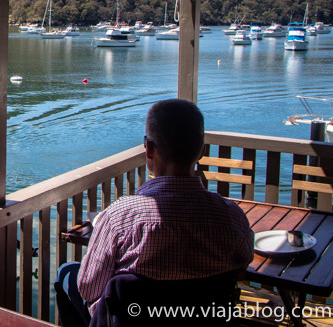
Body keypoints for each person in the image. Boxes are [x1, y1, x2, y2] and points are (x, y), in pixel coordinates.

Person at [55, 99, 254, 325]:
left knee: (66, 273)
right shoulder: (231, 216)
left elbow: (89, 288)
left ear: (149, 149)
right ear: (201, 151)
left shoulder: (120, 217)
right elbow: (244, 261)